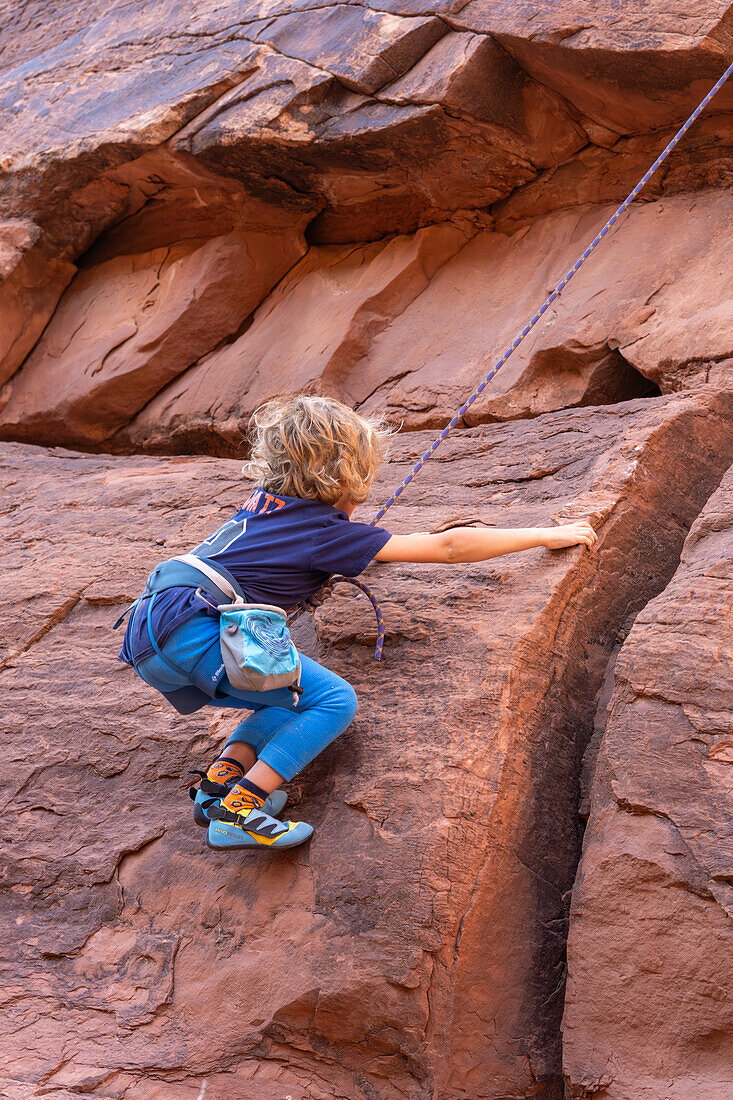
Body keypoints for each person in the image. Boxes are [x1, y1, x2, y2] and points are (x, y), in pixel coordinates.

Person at [119, 395, 597, 852]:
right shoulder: (323, 532)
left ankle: (215, 791)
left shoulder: (263, 505)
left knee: (288, 702)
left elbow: (281, 559)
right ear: (349, 472)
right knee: (333, 701)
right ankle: (241, 810)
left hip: (151, 630)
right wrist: (545, 534)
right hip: (195, 629)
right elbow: (448, 548)